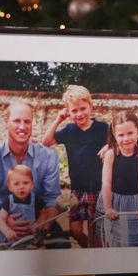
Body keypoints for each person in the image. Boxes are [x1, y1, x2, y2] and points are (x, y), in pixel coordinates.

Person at [0, 101, 61, 244]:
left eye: (27, 121)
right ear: (6, 121)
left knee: (62, 244)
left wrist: (41, 226)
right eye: (17, 121)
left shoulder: (48, 156)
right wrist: (3, 225)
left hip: (37, 219)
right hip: (0, 217)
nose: (22, 127)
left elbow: (52, 200)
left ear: (32, 123)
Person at [42, 85, 109, 248]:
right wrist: (58, 119)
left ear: (90, 106)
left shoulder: (102, 128)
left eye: (83, 108)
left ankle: (95, 256)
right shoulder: (69, 130)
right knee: (75, 230)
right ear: (68, 112)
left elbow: (116, 143)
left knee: (95, 231)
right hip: (77, 190)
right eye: (74, 111)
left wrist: (109, 146)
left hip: (97, 189)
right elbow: (46, 141)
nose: (79, 114)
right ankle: (87, 249)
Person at [94, 111, 138, 247]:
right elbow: (106, 182)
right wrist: (108, 208)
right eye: (121, 135)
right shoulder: (111, 153)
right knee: (114, 240)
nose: (126, 138)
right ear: (114, 135)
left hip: (136, 202)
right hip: (114, 201)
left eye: (130, 133)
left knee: (137, 239)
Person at [0, 165, 45, 244]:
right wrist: (7, 231)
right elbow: (1, 219)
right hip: (11, 235)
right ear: (10, 187)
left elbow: (44, 214)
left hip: (31, 236)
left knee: (42, 246)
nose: (21, 187)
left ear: (32, 184)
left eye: (26, 183)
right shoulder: (9, 200)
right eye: (16, 184)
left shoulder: (36, 199)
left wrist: (38, 224)